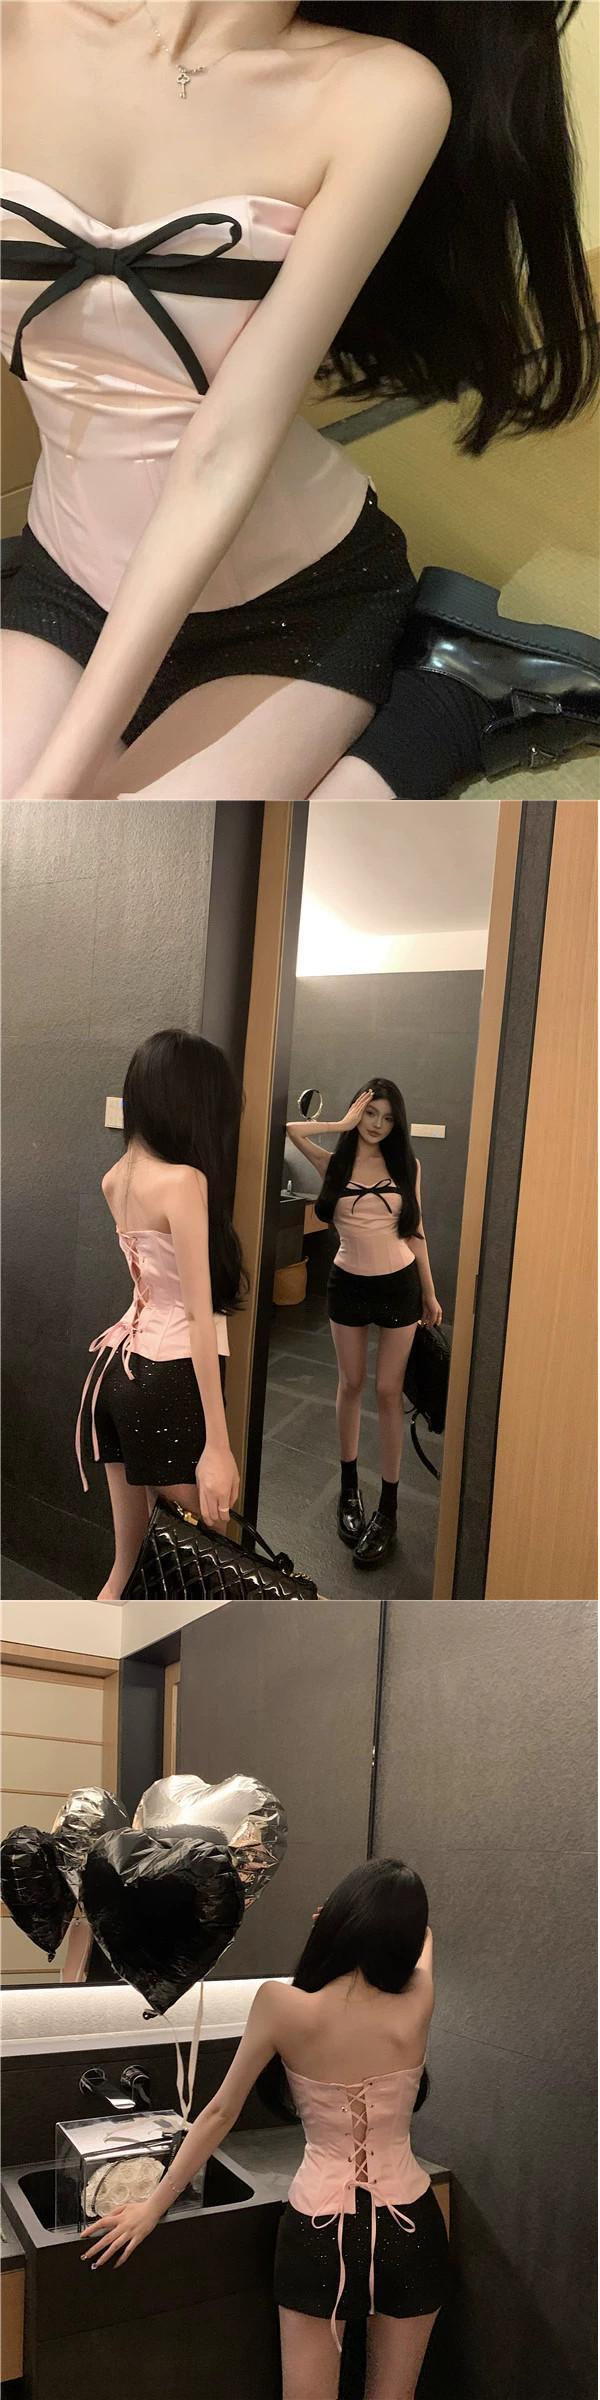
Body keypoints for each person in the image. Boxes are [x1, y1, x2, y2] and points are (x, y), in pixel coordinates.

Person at [2, 1, 598, 804]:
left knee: (140, 873)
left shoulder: (382, 93)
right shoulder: (21, 21)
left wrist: (50, 795)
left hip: (291, 604)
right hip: (68, 573)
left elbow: (224, 449)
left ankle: (452, 699)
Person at [82, 1857, 448, 2400]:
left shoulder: (281, 2004)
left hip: (320, 2231)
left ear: (339, 1921)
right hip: (412, 2223)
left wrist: (153, 2206)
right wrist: (379, 1924)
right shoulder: (418, 2000)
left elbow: (218, 2114)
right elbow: (423, 1942)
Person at [76, 1028, 245, 1601]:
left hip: (115, 1374)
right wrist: (218, 1447)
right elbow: (197, 1317)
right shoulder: (184, 1181)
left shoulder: (116, 1177)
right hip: (169, 1381)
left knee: (127, 1570)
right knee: (201, 1573)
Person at [286, 1082, 441, 1569]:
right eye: (370, 1113)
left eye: (387, 1117)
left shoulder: (407, 1166)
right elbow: (290, 1130)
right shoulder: (333, 1163)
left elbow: (415, 1231)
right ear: (358, 1111)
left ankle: (388, 1509)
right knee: (350, 1384)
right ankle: (349, 1490)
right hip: (347, 1284)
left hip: (399, 1285)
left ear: (398, 1123)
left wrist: (430, 1292)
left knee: (389, 1392)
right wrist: (340, 1125)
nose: (377, 1124)